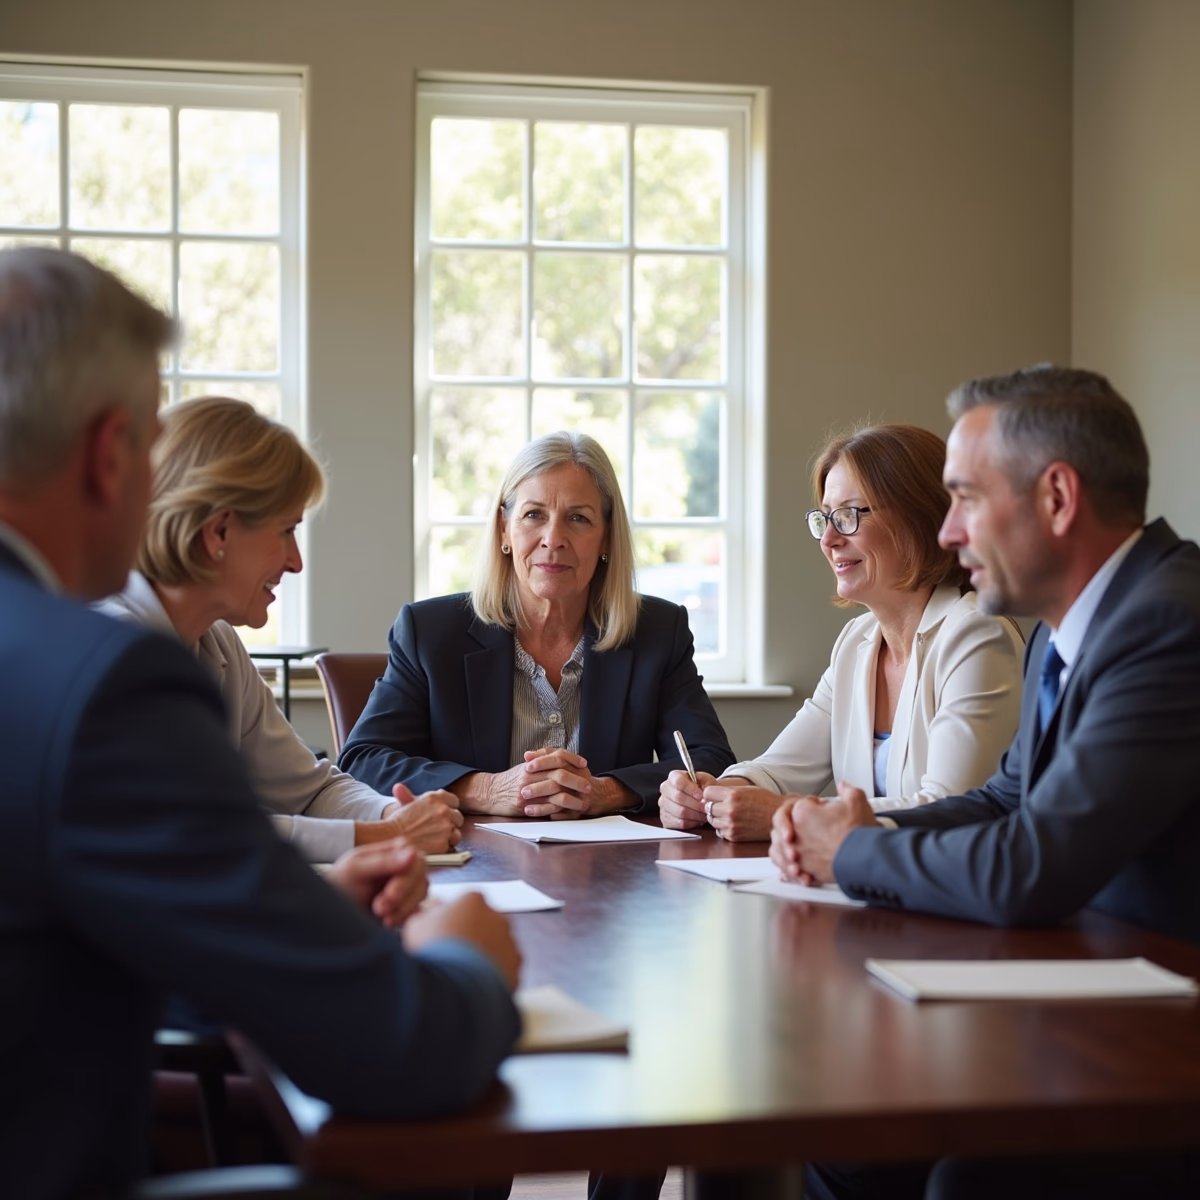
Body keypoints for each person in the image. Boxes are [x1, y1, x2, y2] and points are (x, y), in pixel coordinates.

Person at [0, 246, 521, 1200]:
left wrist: (307, 904)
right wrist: (466, 960)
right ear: (112, 450)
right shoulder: (100, 683)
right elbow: (405, 1046)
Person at [770, 367, 1200, 1200]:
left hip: (1162, 1035)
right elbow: (1008, 801)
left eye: (964, 498)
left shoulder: (1168, 625)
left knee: (957, 1174)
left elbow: (1032, 866)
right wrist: (859, 832)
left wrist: (853, 851)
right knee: (846, 1129)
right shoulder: (1064, 632)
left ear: (1057, 499)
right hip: (1098, 986)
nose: (950, 530)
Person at [97, 395, 463, 861]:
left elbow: (310, 790)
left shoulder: (217, 642)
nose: (296, 561)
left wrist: (391, 815)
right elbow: (189, 829)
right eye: (286, 531)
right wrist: (381, 837)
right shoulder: (109, 647)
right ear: (219, 533)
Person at [339, 430, 735, 818]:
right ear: (503, 530)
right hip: (472, 863)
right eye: (533, 515)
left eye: (578, 518)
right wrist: (488, 789)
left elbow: (710, 758)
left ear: (607, 540)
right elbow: (362, 760)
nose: (553, 538)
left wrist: (605, 792)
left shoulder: (658, 632)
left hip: (612, 867)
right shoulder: (429, 632)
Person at [659, 424, 1023, 841]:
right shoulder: (857, 642)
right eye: (825, 518)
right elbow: (779, 770)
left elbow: (950, 807)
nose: (829, 539)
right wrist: (712, 793)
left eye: (849, 516)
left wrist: (784, 813)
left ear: (919, 518)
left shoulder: (977, 635)